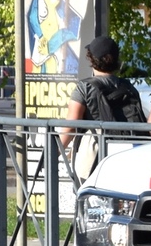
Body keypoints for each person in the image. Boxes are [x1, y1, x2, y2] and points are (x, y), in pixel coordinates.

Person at [61, 35, 145, 171]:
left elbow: (71, 126)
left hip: (95, 156)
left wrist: (55, 151)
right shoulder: (129, 87)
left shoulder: (84, 88)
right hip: (127, 157)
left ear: (92, 59)